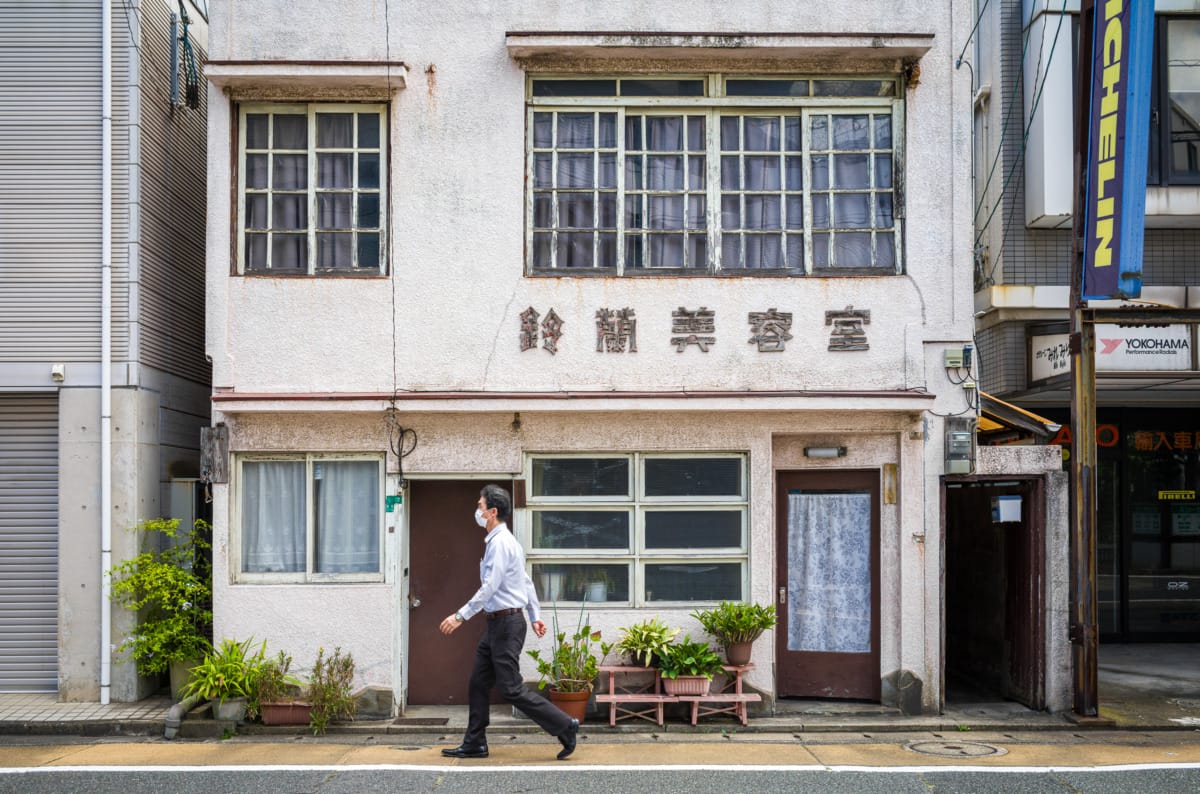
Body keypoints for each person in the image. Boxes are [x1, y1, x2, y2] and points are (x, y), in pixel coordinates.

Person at [438, 484, 579, 760]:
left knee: (511, 688)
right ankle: (475, 742)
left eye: (479, 507)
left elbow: (490, 586)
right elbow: (524, 582)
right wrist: (535, 615)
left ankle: (565, 725)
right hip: (498, 625)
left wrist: (460, 616)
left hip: (506, 625)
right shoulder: (500, 541)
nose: (477, 511)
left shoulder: (502, 543)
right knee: (478, 682)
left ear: (492, 512)